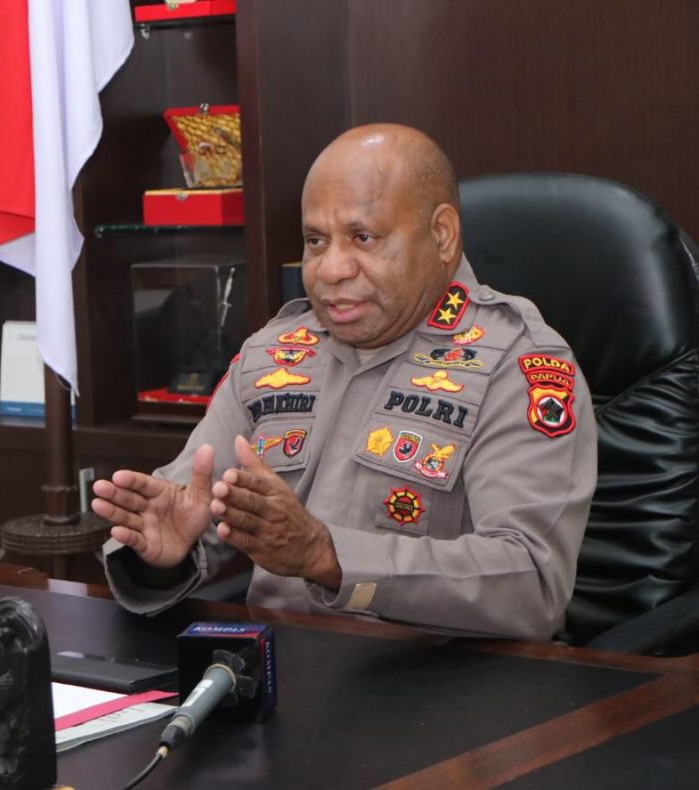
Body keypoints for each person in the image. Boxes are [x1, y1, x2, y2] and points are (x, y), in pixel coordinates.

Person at [93, 124, 597, 641]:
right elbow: (190, 510)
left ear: (442, 235)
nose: (330, 269)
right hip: (276, 665)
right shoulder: (274, 353)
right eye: (316, 241)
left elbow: (531, 585)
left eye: (363, 238)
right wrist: (164, 556)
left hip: (443, 674)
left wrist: (329, 557)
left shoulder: (517, 364)